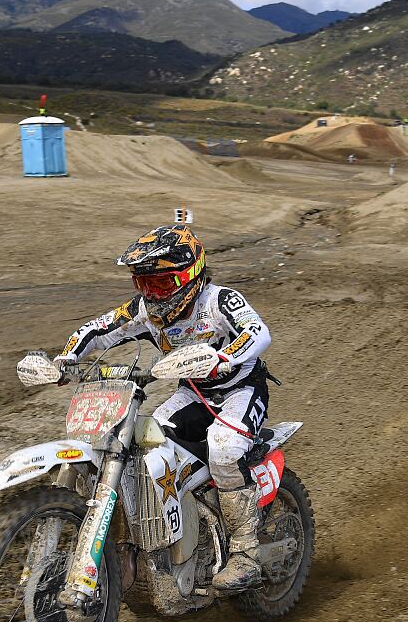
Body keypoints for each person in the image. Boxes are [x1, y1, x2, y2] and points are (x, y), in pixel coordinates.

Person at [53, 225, 272, 590]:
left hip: (240, 390)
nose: (152, 295)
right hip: (191, 393)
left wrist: (223, 357)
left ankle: (245, 554)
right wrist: (67, 357)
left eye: (161, 285)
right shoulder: (144, 310)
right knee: (142, 447)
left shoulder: (218, 300)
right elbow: (98, 328)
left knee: (224, 448)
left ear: (189, 276)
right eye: (144, 285)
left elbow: (257, 330)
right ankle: (150, 541)